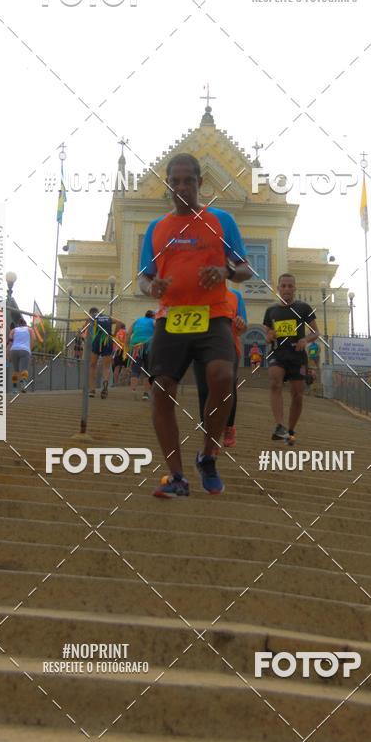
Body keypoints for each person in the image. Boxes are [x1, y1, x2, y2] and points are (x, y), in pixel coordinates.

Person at [139, 152, 251, 498]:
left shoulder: (221, 221)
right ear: (168, 185)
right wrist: (151, 288)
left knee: (222, 376)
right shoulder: (157, 229)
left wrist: (226, 272)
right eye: (176, 181)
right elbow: (144, 278)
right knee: (161, 390)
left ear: (201, 183)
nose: (183, 187)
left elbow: (246, 269)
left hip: (214, 314)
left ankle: (208, 454)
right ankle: (177, 476)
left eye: (190, 180)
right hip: (172, 317)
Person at [263, 273, 320, 445]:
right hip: (278, 354)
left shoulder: (303, 308)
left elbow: (316, 332)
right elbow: (267, 334)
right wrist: (269, 335)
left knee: (297, 395)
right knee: (275, 383)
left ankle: (291, 430)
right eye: (283, 286)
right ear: (278, 288)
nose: (286, 289)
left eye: (290, 286)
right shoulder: (271, 310)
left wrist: (305, 340)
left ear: (295, 288)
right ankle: (279, 426)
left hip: (297, 355)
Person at [193, 286, 247, 448]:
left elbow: (243, 327)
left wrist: (240, 324)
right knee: (204, 390)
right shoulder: (196, 292)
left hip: (228, 346)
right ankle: (209, 433)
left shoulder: (235, 295)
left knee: (228, 387)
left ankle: (229, 427)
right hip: (201, 346)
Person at [87, 306, 124, 399]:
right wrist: (114, 335)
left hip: (97, 339)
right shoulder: (108, 317)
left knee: (92, 365)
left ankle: (92, 390)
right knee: (106, 367)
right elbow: (119, 322)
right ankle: (105, 386)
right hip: (108, 339)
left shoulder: (92, 317)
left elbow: (86, 329)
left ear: (91, 313)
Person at [127, 310, 155, 399]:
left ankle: (133, 391)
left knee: (135, 369)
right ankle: (146, 394)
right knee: (148, 370)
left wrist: (127, 347)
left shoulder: (137, 321)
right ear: (153, 316)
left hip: (136, 347)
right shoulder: (154, 322)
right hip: (148, 347)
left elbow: (128, 333)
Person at [8, 316, 34, 393]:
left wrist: (7, 354)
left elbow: (10, 342)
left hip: (13, 350)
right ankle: (23, 382)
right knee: (24, 370)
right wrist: (30, 349)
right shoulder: (30, 329)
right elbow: (34, 339)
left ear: (18, 325)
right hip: (25, 350)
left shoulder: (13, 330)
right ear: (25, 324)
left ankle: (14, 388)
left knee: (16, 370)